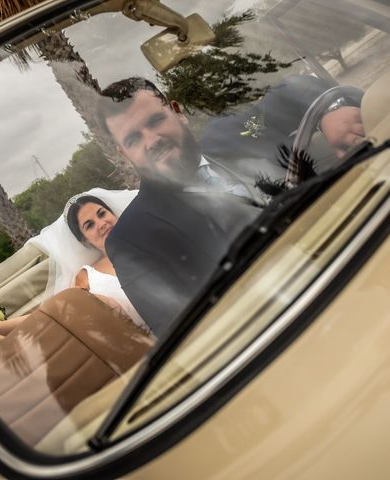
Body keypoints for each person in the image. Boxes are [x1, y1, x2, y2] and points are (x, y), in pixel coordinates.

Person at [96, 77, 365, 337]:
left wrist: (331, 110)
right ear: (125, 155)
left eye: (156, 120)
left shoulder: (238, 133)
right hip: (299, 330)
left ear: (178, 112)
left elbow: (292, 91)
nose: (152, 140)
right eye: (133, 139)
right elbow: (186, 334)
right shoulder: (133, 240)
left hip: (364, 239)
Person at [0, 188, 150, 362]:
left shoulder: (151, 242)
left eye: (102, 214)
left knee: (81, 306)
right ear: (85, 241)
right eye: (89, 225)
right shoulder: (86, 274)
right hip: (100, 336)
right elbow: (54, 313)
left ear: (115, 214)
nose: (101, 224)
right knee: (69, 305)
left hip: (143, 329)